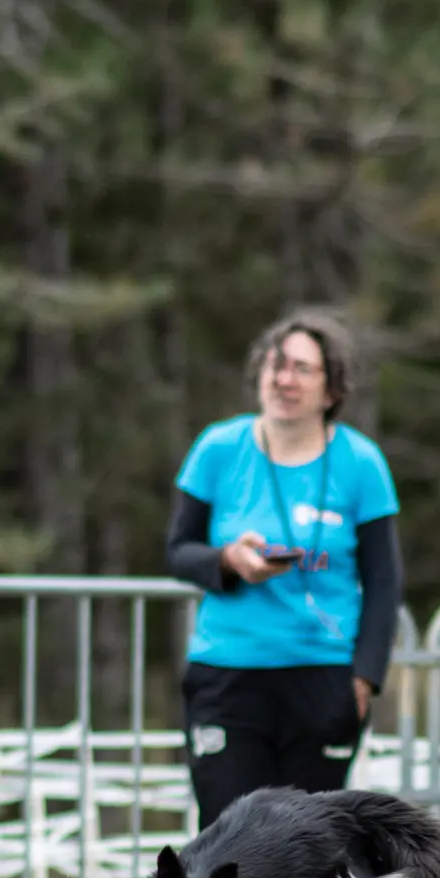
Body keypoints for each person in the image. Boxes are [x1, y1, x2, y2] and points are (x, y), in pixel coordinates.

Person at [166, 308, 403, 830]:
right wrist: (227, 560)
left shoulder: (361, 463)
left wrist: (365, 678)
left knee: (306, 845)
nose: (283, 378)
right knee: (226, 837)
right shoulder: (218, 448)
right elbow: (178, 550)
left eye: (300, 368)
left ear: (331, 388)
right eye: (275, 365)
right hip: (229, 672)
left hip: (321, 675)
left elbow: (384, 581)